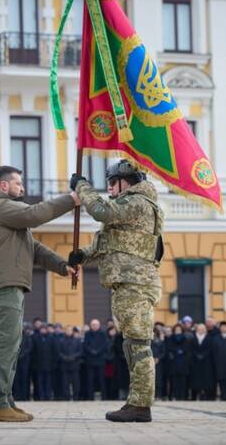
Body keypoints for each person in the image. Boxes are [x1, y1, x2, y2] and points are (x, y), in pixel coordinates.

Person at [0, 165, 78, 422]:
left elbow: (36, 248)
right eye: (18, 183)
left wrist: (62, 267)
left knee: (11, 345)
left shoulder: (9, 215)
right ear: (4, 186)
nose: (22, 187)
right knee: (5, 344)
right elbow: (36, 213)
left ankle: (4, 401)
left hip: (11, 284)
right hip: (5, 284)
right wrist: (71, 199)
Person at [69, 159, 165, 422]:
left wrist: (82, 187)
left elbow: (100, 210)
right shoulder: (128, 206)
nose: (110, 188)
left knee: (138, 344)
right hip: (128, 282)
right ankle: (137, 402)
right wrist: (82, 255)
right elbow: (106, 244)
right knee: (132, 344)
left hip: (135, 283)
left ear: (128, 181)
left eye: (113, 182)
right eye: (108, 183)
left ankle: (141, 405)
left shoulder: (137, 203)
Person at [84, 319, 107, 401]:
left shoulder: (103, 334)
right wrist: (92, 351)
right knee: (90, 380)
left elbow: (104, 345)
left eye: (96, 325)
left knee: (101, 380)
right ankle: (90, 397)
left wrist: (97, 352)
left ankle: (104, 397)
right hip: (90, 360)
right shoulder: (87, 334)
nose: (95, 326)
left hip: (100, 360)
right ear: (91, 325)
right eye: (93, 325)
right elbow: (85, 345)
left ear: (99, 325)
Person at [166, 324, 191, 401]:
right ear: (174, 331)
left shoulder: (185, 339)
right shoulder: (171, 338)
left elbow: (187, 350)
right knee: (174, 381)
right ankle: (175, 396)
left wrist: (182, 351)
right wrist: (176, 351)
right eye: (176, 330)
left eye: (179, 330)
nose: (178, 331)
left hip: (183, 363)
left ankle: (183, 396)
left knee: (183, 381)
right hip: (174, 363)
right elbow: (169, 348)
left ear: (182, 330)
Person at [189, 323, 214, 400]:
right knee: (196, 380)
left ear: (205, 330)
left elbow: (210, 349)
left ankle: (206, 396)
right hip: (195, 362)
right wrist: (197, 355)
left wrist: (203, 355)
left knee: (206, 380)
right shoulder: (192, 339)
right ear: (197, 330)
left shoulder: (209, 338)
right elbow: (191, 349)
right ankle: (195, 396)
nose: (201, 330)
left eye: (203, 329)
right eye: (199, 329)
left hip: (206, 363)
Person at [58, 326, 83, 401]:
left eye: (70, 330)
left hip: (75, 365)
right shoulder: (61, 340)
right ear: (65, 331)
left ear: (72, 331)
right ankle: (66, 397)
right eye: (67, 330)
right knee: (65, 383)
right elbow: (59, 352)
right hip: (65, 365)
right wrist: (64, 357)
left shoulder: (77, 340)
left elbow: (80, 351)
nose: (69, 331)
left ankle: (76, 397)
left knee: (76, 383)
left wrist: (74, 357)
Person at [14, 324, 33, 401]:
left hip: (25, 362)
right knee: (16, 380)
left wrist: (22, 354)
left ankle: (24, 396)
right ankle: (17, 396)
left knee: (24, 379)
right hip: (15, 361)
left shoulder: (27, 337)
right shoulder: (13, 336)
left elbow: (29, 348)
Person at [151, 324, 166, 400]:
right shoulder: (149, 342)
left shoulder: (161, 341)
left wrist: (158, 358)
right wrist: (151, 358)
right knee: (151, 380)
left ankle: (159, 395)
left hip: (159, 363)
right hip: (150, 362)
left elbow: (163, 352)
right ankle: (151, 395)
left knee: (159, 379)